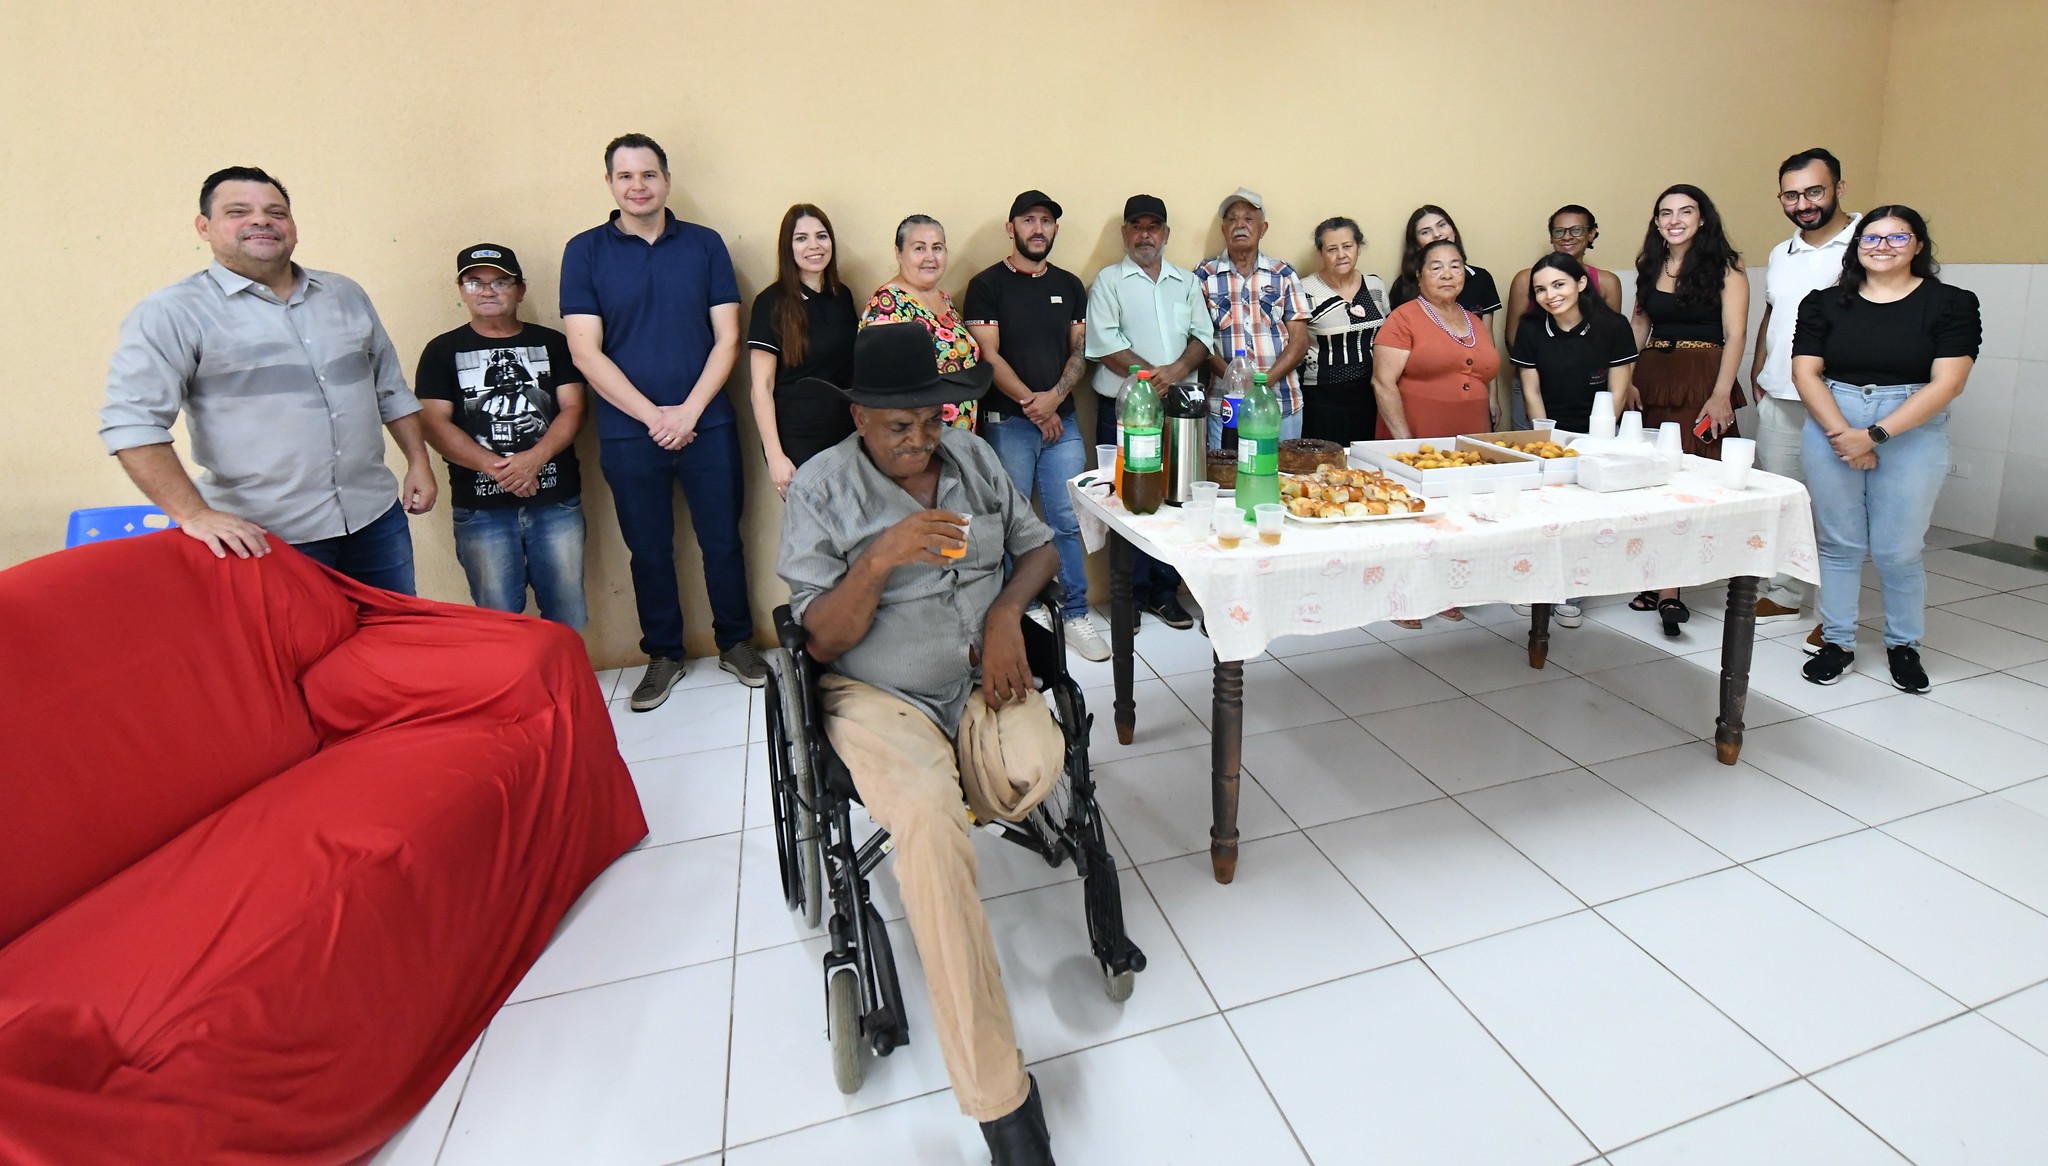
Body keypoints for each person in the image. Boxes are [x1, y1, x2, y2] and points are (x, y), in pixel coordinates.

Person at [778, 322, 1065, 1166]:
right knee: (934, 831)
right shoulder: (822, 491)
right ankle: (1001, 1101)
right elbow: (819, 642)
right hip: (874, 691)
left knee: (1032, 770)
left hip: (979, 674)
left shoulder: (973, 459)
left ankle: (943, 807)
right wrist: (877, 561)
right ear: (859, 416)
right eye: (897, 426)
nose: (919, 440)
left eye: (931, 420)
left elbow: (1039, 547)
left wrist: (1007, 613)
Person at [98, 166, 436, 592]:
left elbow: (389, 388)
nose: (261, 220)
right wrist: (195, 515)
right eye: (239, 211)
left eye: (275, 212)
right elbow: (132, 426)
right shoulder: (172, 313)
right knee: (291, 657)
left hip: (375, 521)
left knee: (391, 646)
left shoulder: (344, 294)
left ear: (292, 227)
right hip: (265, 537)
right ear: (204, 226)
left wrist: (418, 462)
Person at [561, 133, 766, 708]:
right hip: (631, 432)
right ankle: (664, 654)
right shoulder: (585, 252)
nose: (638, 186)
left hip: (709, 426)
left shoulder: (704, 245)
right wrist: (655, 417)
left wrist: (691, 411)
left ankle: (736, 643)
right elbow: (585, 352)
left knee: (723, 541)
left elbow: (728, 339)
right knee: (648, 549)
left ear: (667, 181)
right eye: (625, 176)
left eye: (648, 175)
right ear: (609, 184)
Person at [1794, 206, 1979, 693]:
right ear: (1857, 247)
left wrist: (1872, 437)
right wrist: (1843, 436)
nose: (1882, 246)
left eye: (1898, 238)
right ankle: (1836, 642)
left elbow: (1948, 383)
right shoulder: (1823, 303)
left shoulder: (1952, 303)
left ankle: (1904, 646)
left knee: (1899, 550)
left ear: (1919, 245)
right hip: (1831, 418)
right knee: (1839, 545)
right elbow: (1805, 372)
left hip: (1911, 427)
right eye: (1871, 238)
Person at [964, 190, 1109, 662]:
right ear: (1011, 228)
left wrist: (1056, 400)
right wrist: (1034, 404)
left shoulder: (1069, 285)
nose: (1038, 228)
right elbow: (988, 355)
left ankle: (1074, 613)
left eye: (1046, 221)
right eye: (1029, 220)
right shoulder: (986, 285)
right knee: (1014, 522)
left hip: (1061, 421)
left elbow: (1079, 351)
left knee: (1067, 519)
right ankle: (1024, 613)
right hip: (1008, 421)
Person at [415, 244, 588, 626]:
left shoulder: (553, 343)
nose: (488, 291)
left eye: (500, 282)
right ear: (461, 291)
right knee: (498, 618)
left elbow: (574, 408)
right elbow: (432, 423)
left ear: (520, 289)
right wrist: (499, 469)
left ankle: (567, 685)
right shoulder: (442, 351)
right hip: (481, 508)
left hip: (555, 500)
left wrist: (533, 460)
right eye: (474, 282)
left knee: (567, 611)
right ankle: (519, 688)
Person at [1084, 194, 1215, 631]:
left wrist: (1175, 372)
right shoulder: (1108, 282)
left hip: (1181, 408)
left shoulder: (1186, 282)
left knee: (1176, 498)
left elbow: (1202, 336)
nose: (1145, 234)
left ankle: (1163, 592)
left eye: (1153, 226)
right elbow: (1104, 345)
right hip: (1126, 409)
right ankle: (1129, 595)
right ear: (1125, 233)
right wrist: (1148, 376)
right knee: (1127, 497)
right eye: (1136, 226)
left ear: (1165, 234)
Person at [1628, 183, 1749, 636]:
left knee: (1690, 478)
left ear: (1703, 218)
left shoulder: (1727, 266)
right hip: (1653, 376)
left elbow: (1735, 334)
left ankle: (1669, 592)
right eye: (1665, 212)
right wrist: (1625, 382)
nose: (1674, 219)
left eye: (1685, 211)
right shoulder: (1650, 265)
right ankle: (1659, 582)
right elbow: (1639, 324)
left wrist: (1720, 395)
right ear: (1657, 221)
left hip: (1702, 377)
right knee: (1651, 478)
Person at [1753, 148, 1860, 637]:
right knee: (1782, 500)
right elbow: (1775, 313)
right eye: (1792, 194)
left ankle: (1835, 616)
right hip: (1780, 394)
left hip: (1841, 397)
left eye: (1814, 191)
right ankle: (1783, 593)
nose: (1803, 203)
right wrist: (1760, 366)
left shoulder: (1869, 242)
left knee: (1838, 510)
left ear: (1838, 187)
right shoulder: (1782, 251)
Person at [1371, 237, 1500, 628]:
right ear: (1419, 275)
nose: (1447, 274)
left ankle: (1443, 590)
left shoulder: (1474, 320)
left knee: (1456, 515)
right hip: (1416, 436)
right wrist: (1406, 442)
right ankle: (1400, 597)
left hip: (1468, 437)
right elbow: (1382, 383)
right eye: (1436, 266)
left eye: (1456, 265)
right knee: (1412, 517)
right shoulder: (1404, 318)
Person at [1510, 251, 1639, 631]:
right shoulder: (1531, 329)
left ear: (1581, 284)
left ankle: (1572, 592)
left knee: (1582, 515)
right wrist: (1546, 441)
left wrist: (1596, 439)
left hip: (1596, 431)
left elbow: (1619, 389)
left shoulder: (1612, 326)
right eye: (1541, 289)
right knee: (1541, 511)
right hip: (1548, 432)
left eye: (1559, 284)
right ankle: (1534, 587)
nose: (1550, 295)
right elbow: (1531, 391)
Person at [748, 203, 858, 496]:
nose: (814, 246)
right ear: (788, 246)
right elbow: (762, 386)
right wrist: (775, 457)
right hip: (799, 439)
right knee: (814, 531)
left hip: (846, 434)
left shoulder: (841, 295)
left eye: (821, 236)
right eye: (801, 238)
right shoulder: (770, 303)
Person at [1195, 188, 1311, 445]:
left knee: (1284, 480)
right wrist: (1236, 383)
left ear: (1263, 228)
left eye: (1248, 219)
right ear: (1223, 228)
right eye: (1232, 219)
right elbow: (1198, 339)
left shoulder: (1283, 273)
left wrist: (1262, 382)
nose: (1240, 225)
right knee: (1227, 480)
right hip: (1224, 404)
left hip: (1282, 401)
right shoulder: (1205, 275)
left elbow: (1300, 341)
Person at [861, 215, 980, 431]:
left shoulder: (944, 299)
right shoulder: (888, 304)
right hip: (918, 440)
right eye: (919, 248)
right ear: (899, 253)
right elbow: (884, 388)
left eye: (937, 248)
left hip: (959, 437)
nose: (930, 257)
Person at [1390, 205, 1507, 425]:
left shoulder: (1480, 279)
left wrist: (1492, 396)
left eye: (1442, 225)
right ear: (1416, 245)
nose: (1437, 234)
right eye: (1425, 231)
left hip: (1473, 397)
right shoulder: (1405, 288)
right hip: (1423, 404)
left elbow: (1487, 343)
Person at [1298, 216, 1392, 444]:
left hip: (1370, 397)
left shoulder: (1375, 286)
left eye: (1347, 246)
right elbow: (1294, 344)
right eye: (1332, 249)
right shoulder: (1303, 290)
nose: (1341, 255)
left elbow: (1389, 338)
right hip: (1321, 400)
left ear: (1358, 247)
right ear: (1321, 253)